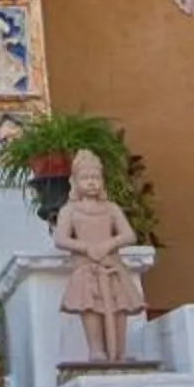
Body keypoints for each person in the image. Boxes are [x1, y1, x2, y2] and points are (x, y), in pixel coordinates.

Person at [52, 148, 144, 363]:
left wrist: (108, 244)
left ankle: (119, 351)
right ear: (74, 182)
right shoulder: (69, 210)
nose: (91, 183)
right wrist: (86, 247)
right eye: (85, 178)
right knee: (90, 306)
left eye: (96, 178)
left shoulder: (111, 208)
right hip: (86, 267)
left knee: (119, 305)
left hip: (112, 264)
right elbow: (60, 239)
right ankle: (96, 349)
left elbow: (129, 235)